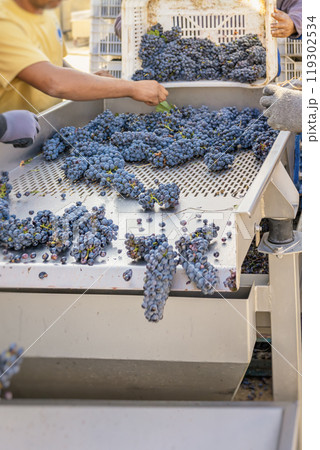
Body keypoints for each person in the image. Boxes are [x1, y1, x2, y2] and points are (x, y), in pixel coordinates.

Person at [0, 0, 168, 114]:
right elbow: (53, 81)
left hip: (45, 125)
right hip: (12, 141)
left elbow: (54, 62)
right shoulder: (4, 22)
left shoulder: (46, 14)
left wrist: (87, 79)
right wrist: (132, 88)